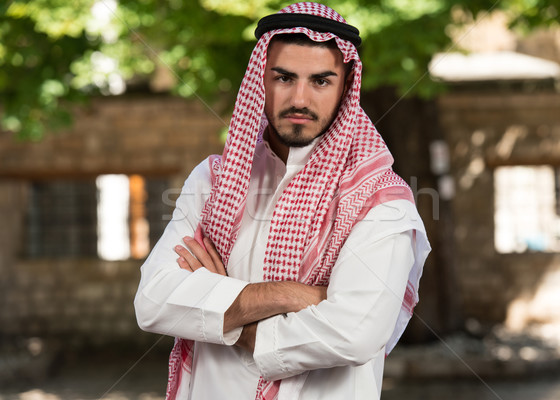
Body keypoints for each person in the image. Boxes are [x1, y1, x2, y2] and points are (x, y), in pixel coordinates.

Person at [134, 2, 430, 399]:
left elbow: (355, 333)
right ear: (261, 80)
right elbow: (153, 301)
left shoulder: (381, 205)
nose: (299, 99)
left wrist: (220, 308)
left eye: (321, 81)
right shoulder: (212, 181)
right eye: (284, 78)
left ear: (345, 88)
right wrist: (283, 294)